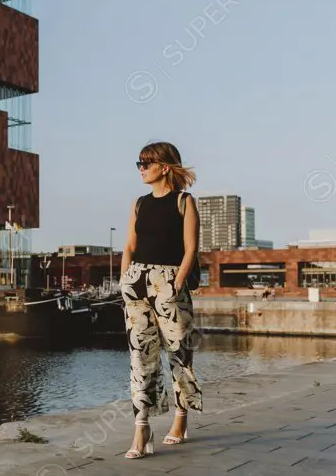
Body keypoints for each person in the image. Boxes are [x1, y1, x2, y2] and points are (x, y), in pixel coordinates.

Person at [119, 141, 203, 459]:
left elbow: (190, 249)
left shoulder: (184, 202)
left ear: (164, 167)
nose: (140, 167)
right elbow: (129, 245)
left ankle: (180, 419)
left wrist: (176, 284)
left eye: (146, 162)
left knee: (179, 355)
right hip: (137, 283)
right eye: (138, 163)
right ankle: (142, 428)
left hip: (169, 284)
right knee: (141, 359)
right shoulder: (139, 203)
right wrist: (125, 280)